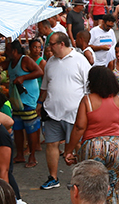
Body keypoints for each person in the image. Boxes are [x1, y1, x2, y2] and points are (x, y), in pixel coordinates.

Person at [64, 66, 119, 204]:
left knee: (89, 188)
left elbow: (79, 127)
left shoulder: (87, 100)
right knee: (113, 188)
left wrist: (68, 150)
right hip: (117, 147)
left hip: (93, 146)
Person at [38, 32, 91, 190]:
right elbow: (45, 87)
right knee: (51, 144)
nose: (49, 47)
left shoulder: (80, 60)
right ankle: (53, 177)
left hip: (74, 114)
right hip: (52, 111)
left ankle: (80, 179)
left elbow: (88, 88)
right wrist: (40, 103)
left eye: (52, 44)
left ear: (62, 44)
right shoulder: (50, 63)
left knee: (77, 146)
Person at [6, 41, 44, 169]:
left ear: (15, 51)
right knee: (17, 128)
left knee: (30, 128)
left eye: (8, 49)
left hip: (28, 100)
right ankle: (20, 155)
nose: (6, 52)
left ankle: (32, 156)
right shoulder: (10, 63)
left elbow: (39, 72)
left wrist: (23, 78)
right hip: (16, 101)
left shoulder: (25, 60)